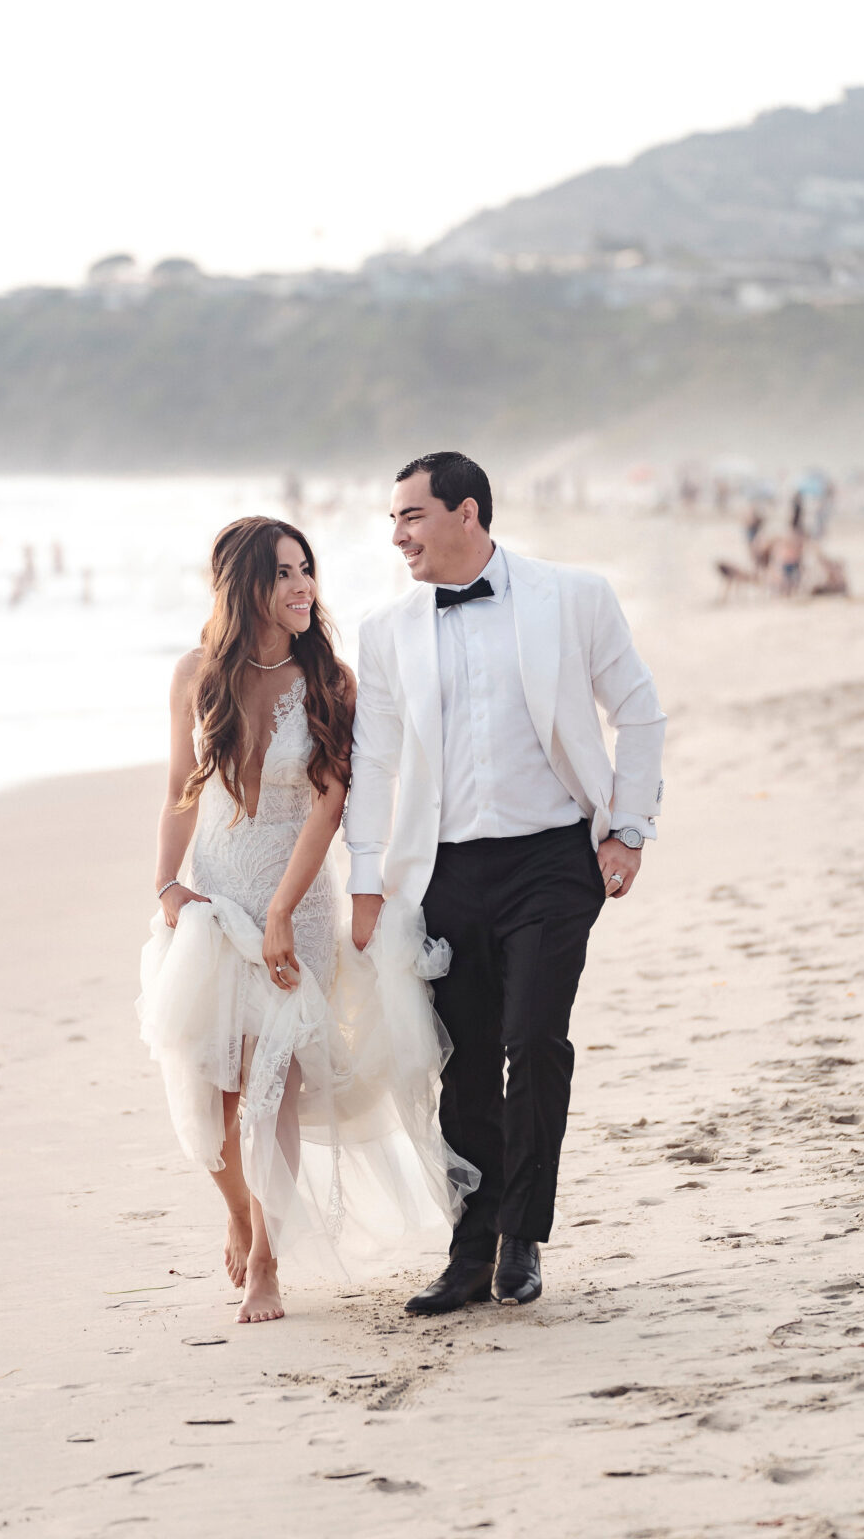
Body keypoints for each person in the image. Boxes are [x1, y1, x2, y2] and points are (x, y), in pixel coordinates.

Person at [345, 452, 666, 1315]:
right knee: (465, 1062)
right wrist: (366, 881)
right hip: (442, 871)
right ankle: (470, 1245)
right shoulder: (386, 630)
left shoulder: (574, 596)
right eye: (393, 519)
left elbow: (637, 711)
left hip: (551, 862)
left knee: (535, 1039)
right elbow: (371, 761)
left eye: (412, 515)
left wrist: (627, 828)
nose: (398, 534)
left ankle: (521, 1233)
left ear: (467, 513)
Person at [137, 517, 474, 1325]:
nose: (302, 587)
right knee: (211, 1093)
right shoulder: (194, 675)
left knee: (272, 1087)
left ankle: (266, 1263)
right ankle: (240, 1212)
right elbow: (181, 787)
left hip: (300, 904)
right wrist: (163, 887)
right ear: (243, 585)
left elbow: (330, 804)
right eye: (283, 573)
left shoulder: (331, 679)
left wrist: (285, 909)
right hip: (216, 903)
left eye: (306, 570)